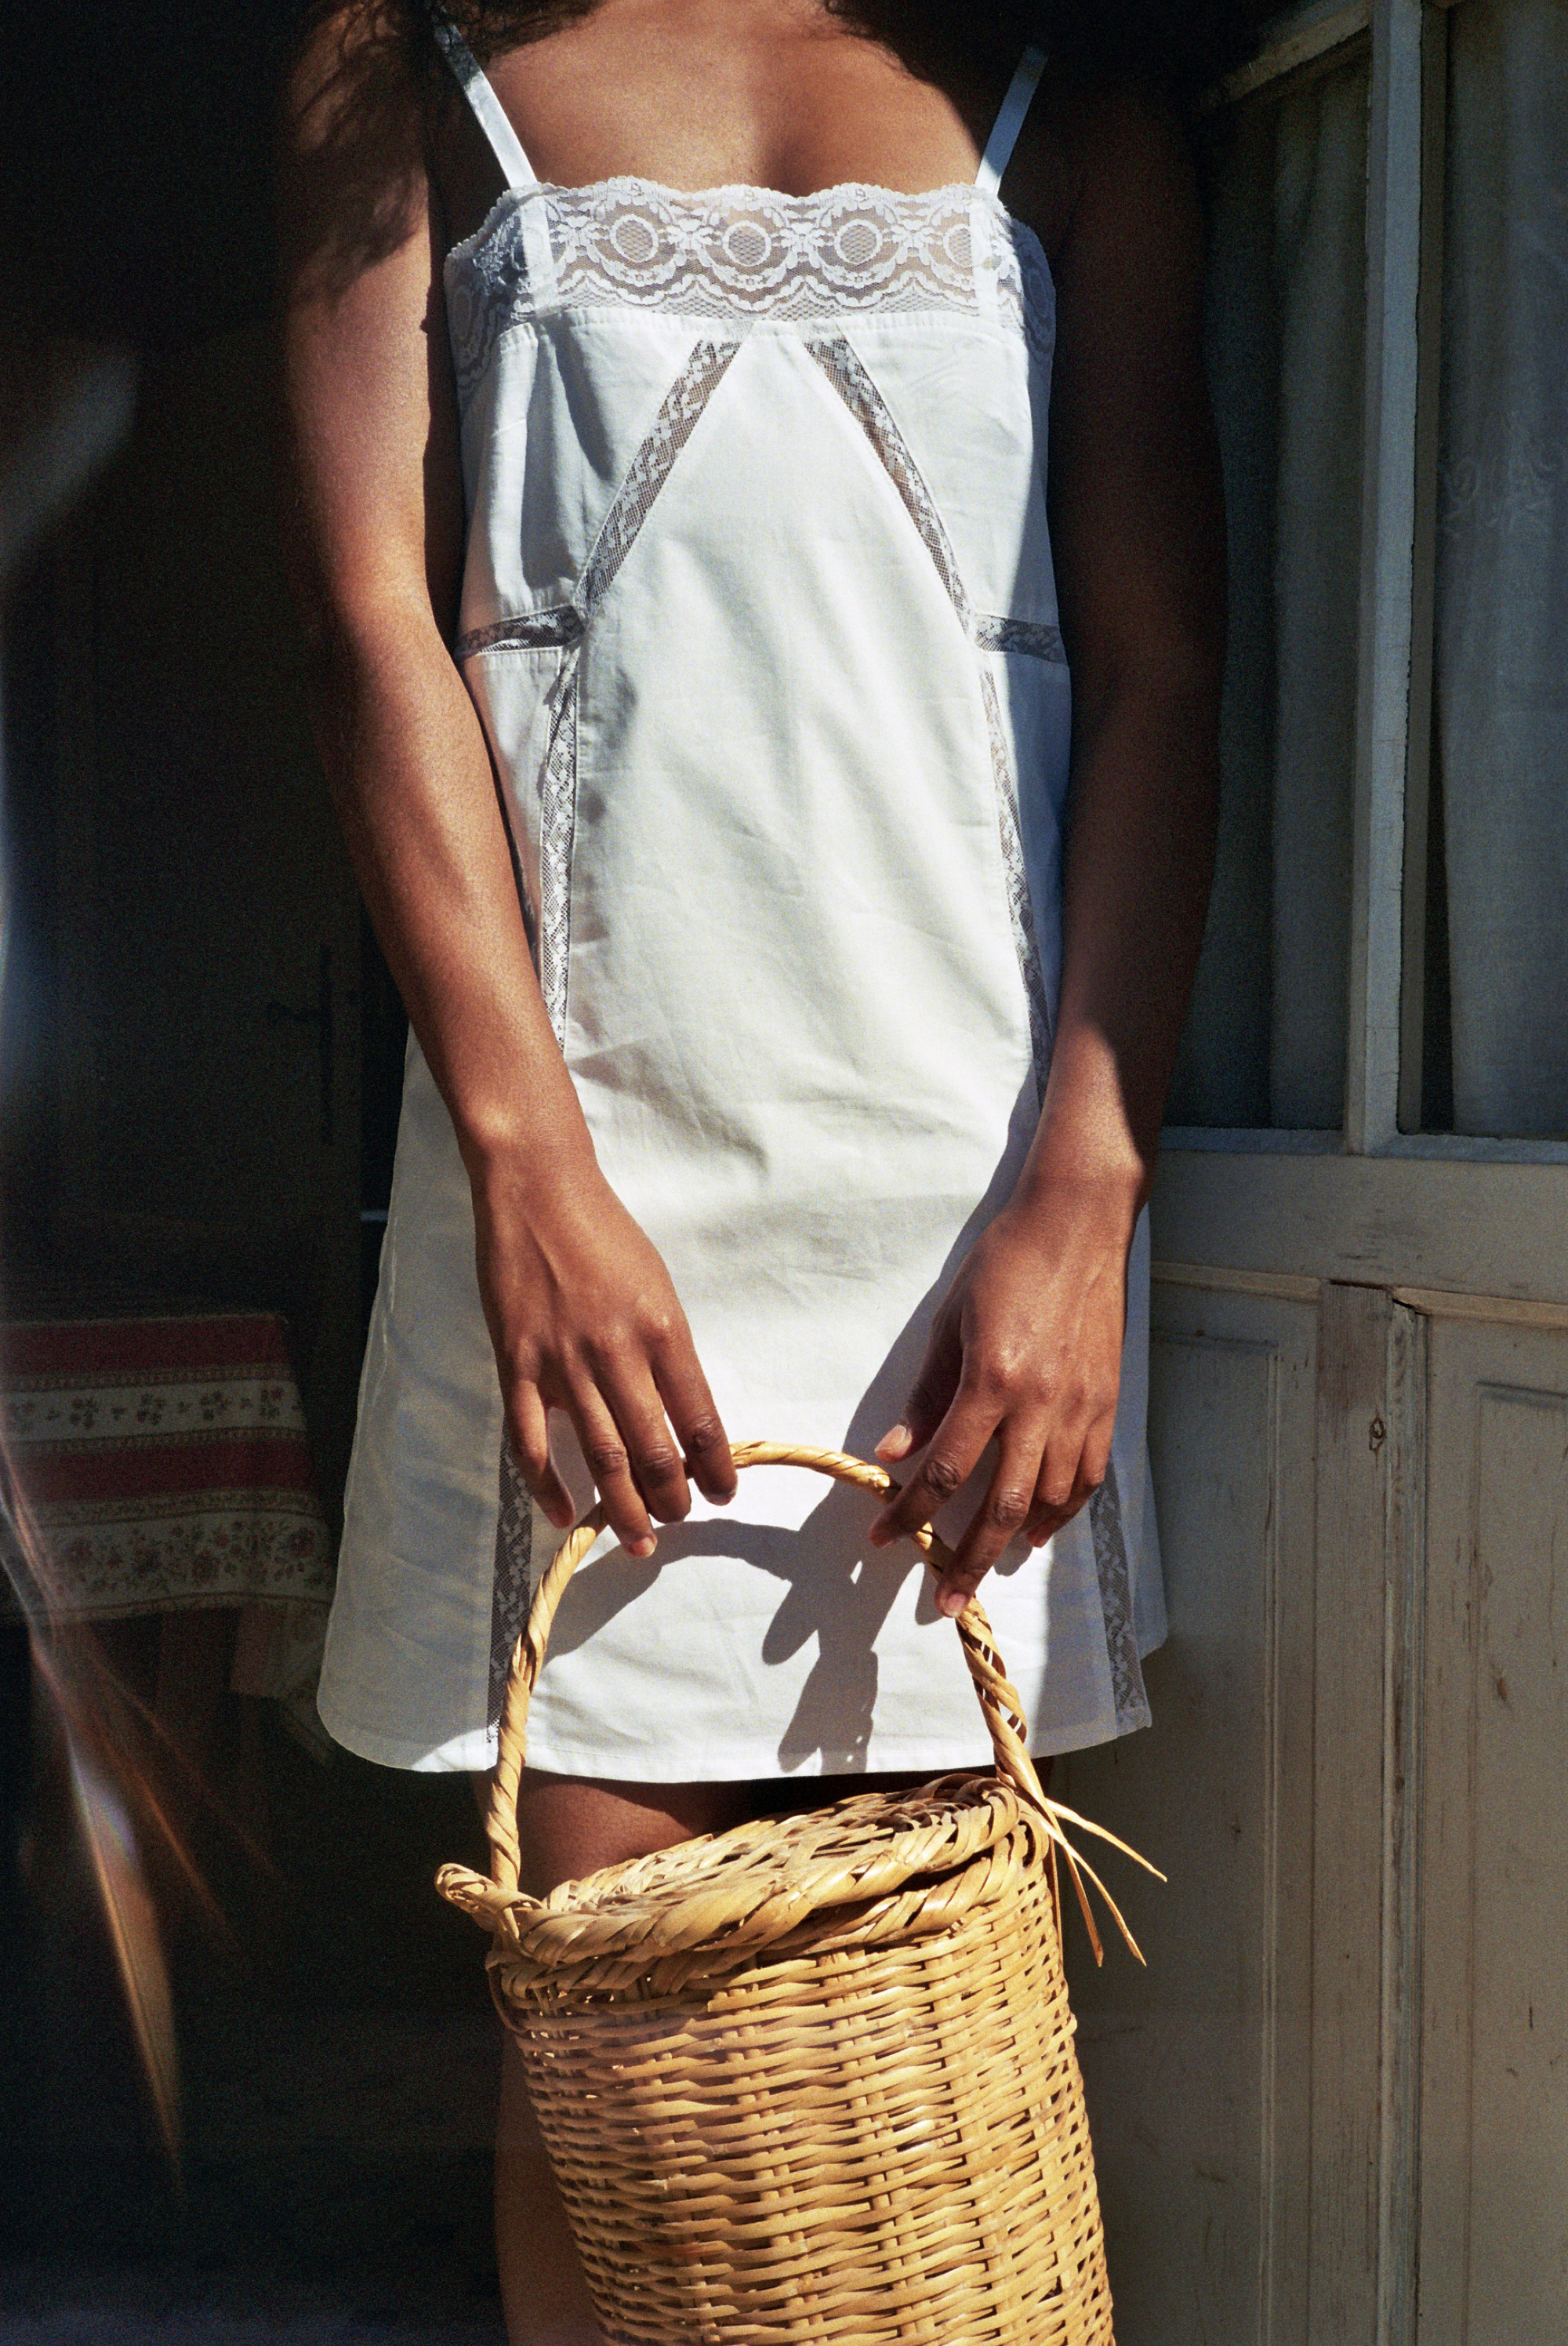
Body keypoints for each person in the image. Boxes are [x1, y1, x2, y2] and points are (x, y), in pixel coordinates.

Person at [278, 2, 1230, 2336]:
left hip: (965, 1215)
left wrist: (1086, 1192)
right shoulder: (402, 67)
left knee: (910, 2097)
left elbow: (1162, 669)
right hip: (586, 1192)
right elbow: (367, 622)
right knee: (623, 2062)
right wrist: (523, 1164)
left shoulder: (1071, 103)